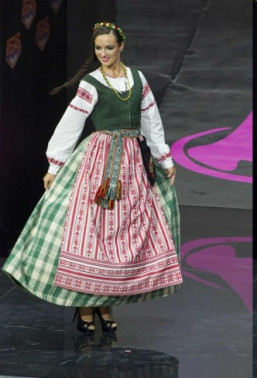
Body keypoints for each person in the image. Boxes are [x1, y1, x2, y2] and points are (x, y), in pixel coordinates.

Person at [2, 22, 183, 334]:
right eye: (99, 48)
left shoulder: (136, 78)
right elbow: (72, 122)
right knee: (92, 232)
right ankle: (86, 309)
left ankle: (106, 305)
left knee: (120, 233)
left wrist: (163, 156)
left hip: (129, 161)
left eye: (109, 48)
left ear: (121, 46)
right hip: (98, 162)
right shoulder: (92, 82)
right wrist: (55, 165)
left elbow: (151, 120)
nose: (103, 54)